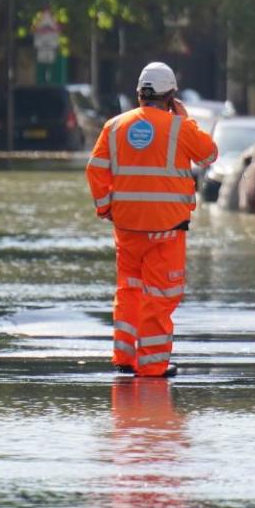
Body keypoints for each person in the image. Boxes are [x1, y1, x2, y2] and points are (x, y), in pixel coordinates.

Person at [86, 62, 218, 378]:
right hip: (166, 231)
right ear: (171, 95)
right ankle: (152, 366)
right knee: (159, 297)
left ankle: (124, 357)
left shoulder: (114, 126)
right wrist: (186, 119)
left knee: (129, 291)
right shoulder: (180, 128)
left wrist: (106, 208)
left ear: (139, 94)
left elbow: (95, 169)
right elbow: (209, 155)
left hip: (127, 228)